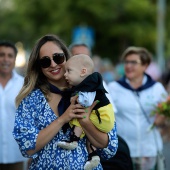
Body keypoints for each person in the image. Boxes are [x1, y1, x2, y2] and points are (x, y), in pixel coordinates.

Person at [12, 34, 118, 170]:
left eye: (58, 57)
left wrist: (85, 122)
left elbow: (110, 148)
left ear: (67, 58)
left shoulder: (92, 92)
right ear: (39, 67)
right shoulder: (32, 99)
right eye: (45, 61)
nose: (53, 64)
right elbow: (27, 147)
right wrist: (63, 119)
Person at [108, 46, 167, 170]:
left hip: (150, 151)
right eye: (126, 62)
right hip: (123, 151)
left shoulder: (156, 88)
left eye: (133, 62)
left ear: (145, 66)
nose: (128, 66)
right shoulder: (114, 88)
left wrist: (162, 118)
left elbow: (165, 113)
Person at [57, 54, 115, 169]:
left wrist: (75, 99)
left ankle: (73, 140)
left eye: (69, 71)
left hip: (102, 116)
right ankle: (93, 156)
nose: (65, 75)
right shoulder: (91, 82)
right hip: (103, 117)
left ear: (83, 71)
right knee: (89, 136)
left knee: (80, 118)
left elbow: (87, 102)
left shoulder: (88, 84)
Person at [0, 41, 25, 170]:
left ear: (15, 59)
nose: (5, 59)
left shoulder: (23, 86)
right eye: (2, 55)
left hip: (16, 155)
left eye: (10, 56)